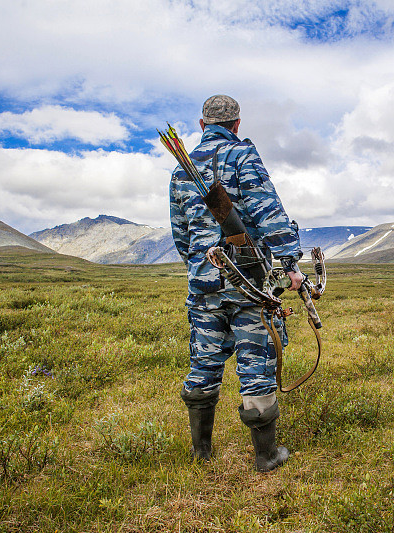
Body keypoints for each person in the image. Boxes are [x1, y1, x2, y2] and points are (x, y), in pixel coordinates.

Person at [169, 95, 303, 472]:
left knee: (204, 363)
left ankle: (201, 452)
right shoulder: (242, 156)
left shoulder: (182, 169)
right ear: (237, 125)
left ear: (201, 125)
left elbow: (181, 233)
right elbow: (268, 212)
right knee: (256, 365)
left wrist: (200, 265)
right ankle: (266, 456)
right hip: (248, 284)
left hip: (204, 282)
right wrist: (291, 263)